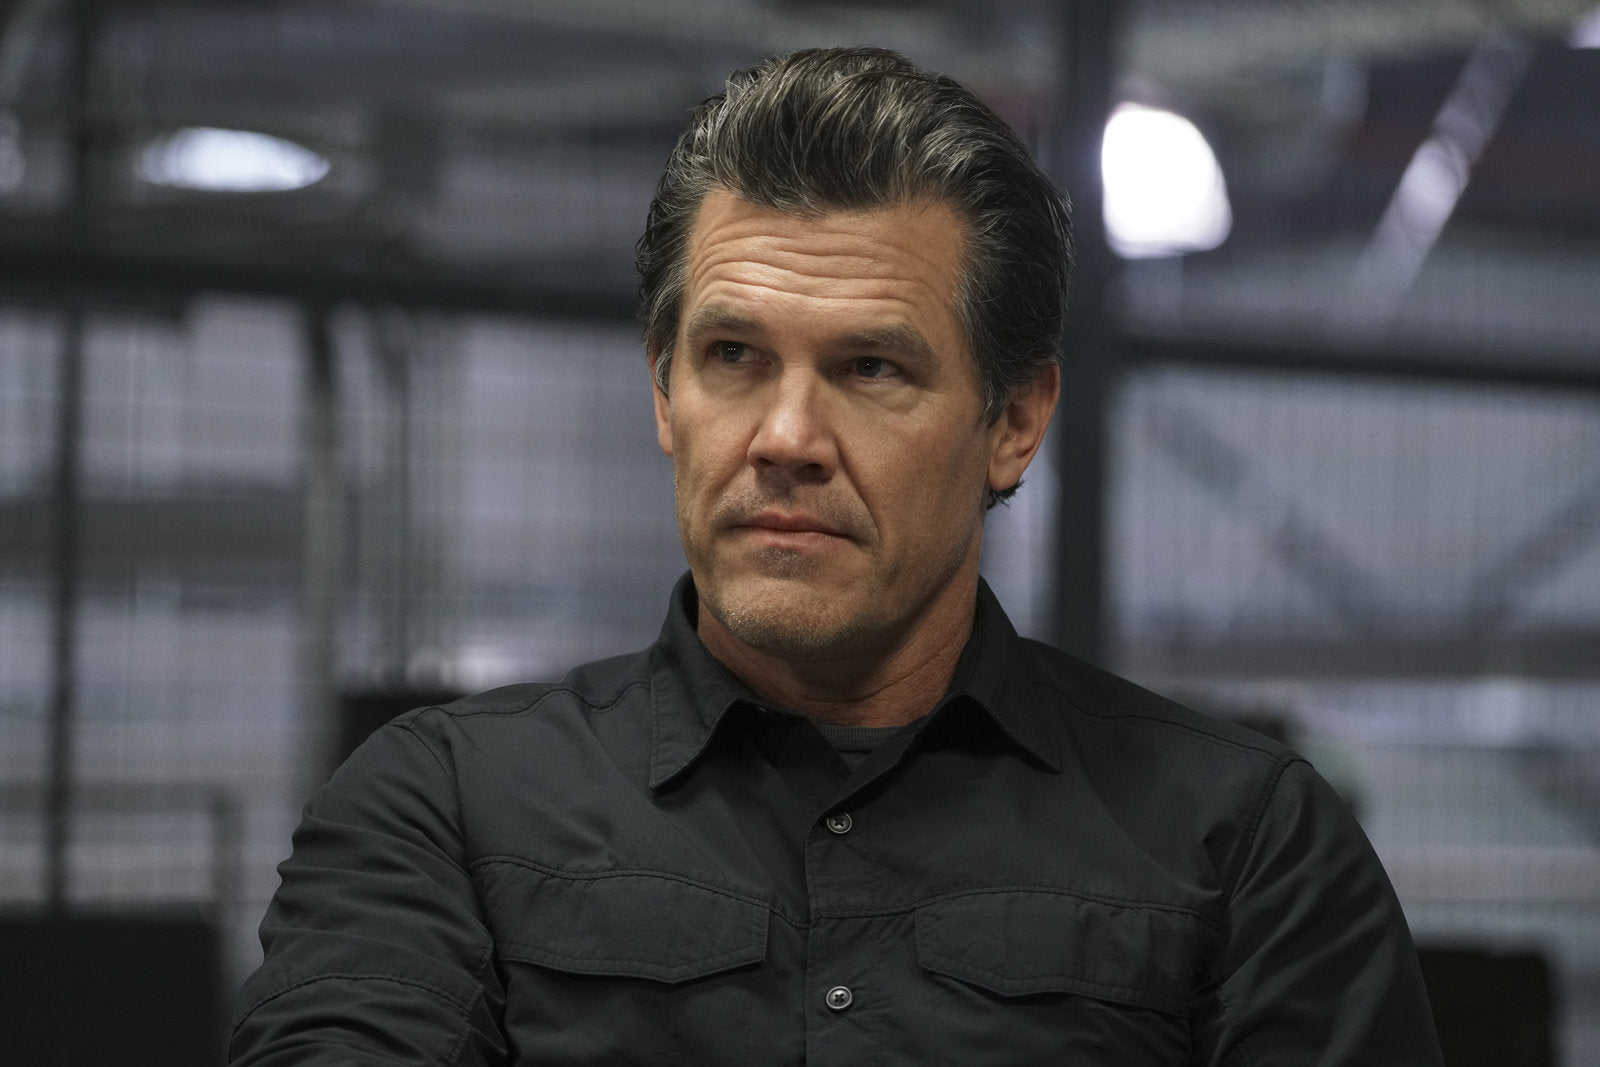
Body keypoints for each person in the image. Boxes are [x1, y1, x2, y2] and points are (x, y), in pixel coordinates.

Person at [230, 47, 1443, 1065]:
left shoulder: (1244, 845)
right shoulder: (441, 808)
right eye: (733, 357)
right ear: (663, 391)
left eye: (870, 367)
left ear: (1014, 420)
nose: (786, 438)